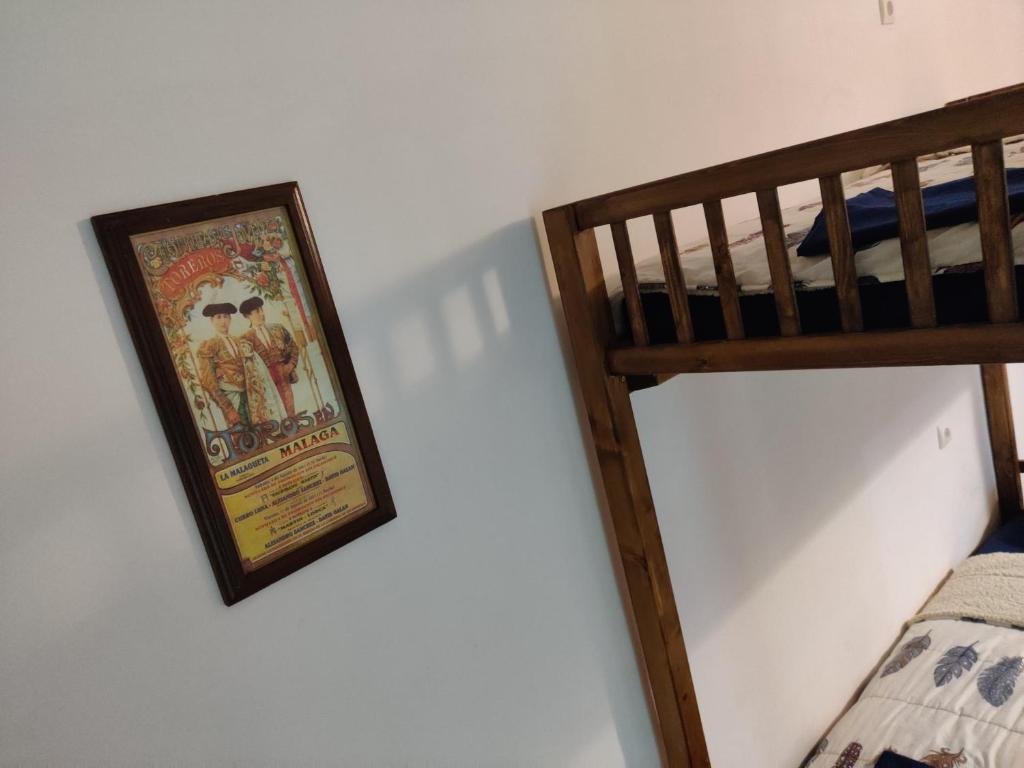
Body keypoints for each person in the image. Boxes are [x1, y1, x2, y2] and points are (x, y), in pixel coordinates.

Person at [239, 296, 300, 418]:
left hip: (283, 374)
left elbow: (293, 347)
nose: (262, 314)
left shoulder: (278, 328)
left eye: (261, 310)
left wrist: (291, 364)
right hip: (265, 381)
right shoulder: (245, 339)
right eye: (257, 311)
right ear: (248, 316)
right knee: (275, 412)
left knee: (290, 409)